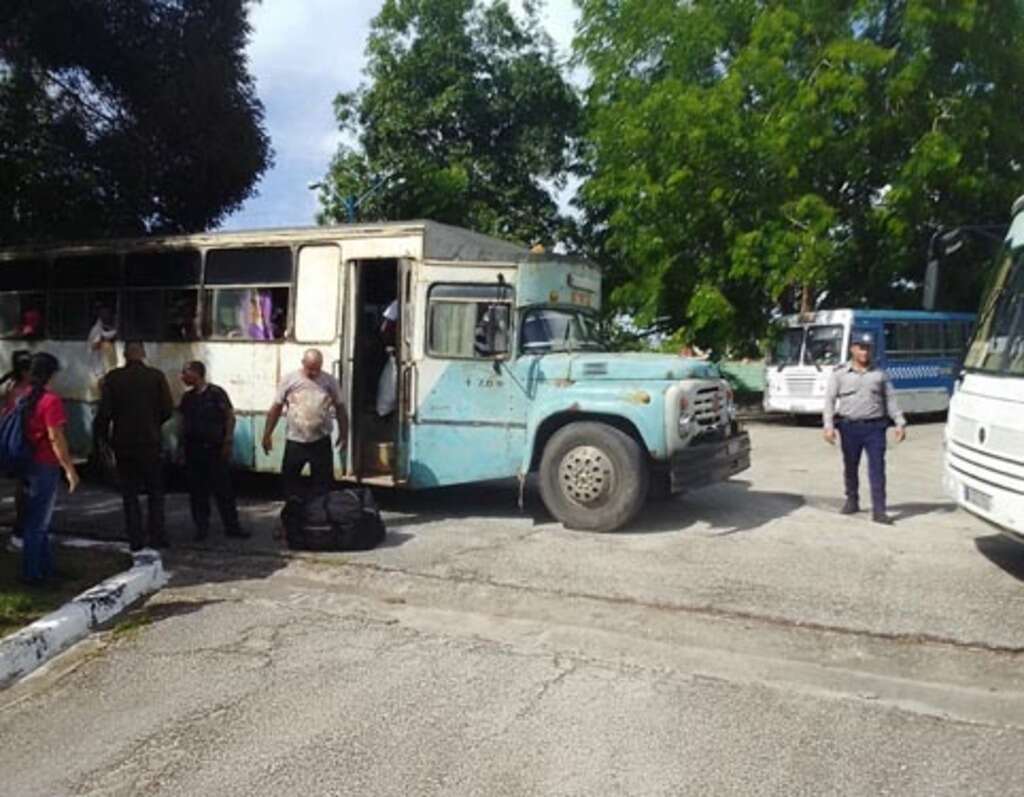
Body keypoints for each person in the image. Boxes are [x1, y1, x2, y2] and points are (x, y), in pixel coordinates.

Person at [94, 341, 174, 550]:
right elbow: (167, 409)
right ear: (143, 354)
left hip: (124, 443)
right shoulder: (156, 376)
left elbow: (105, 413)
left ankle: (135, 537)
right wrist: (153, 424)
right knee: (155, 491)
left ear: (125, 355)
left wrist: (103, 439)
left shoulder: (114, 378)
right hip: (150, 442)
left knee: (130, 493)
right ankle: (157, 535)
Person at [822, 331, 907, 525]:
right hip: (849, 427)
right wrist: (828, 426)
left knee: (877, 468)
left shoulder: (879, 374)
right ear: (852, 349)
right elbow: (829, 400)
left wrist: (899, 422)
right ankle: (852, 500)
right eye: (861, 348)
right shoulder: (840, 374)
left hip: (875, 428)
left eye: (868, 348)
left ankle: (879, 510)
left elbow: (891, 400)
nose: (865, 352)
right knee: (850, 466)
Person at [18, 353, 79, 584]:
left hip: (26, 461)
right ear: (51, 374)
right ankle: (33, 573)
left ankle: (45, 567)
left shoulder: (23, 397)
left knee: (37, 518)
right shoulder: (50, 401)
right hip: (45, 463)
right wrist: (69, 469)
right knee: (39, 522)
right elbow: (56, 438)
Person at [262, 349, 348, 498]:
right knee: (290, 483)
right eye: (310, 369)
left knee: (323, 485)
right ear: (303, 363)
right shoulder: (290, 380)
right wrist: (267, 434)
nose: (314, 373)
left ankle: (319, 509)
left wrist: (344, 434)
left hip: (320, 440)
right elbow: (276, 408)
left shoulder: (329, 381)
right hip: (295, 441)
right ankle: (293, 509)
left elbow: (340, 407)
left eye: (317, 369)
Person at [178, 361, 249, 541]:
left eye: (185, 373)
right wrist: (180, 447)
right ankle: (201, 528)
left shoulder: (216, 394)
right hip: (193, 450)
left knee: (223, 490)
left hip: (214, 449)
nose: (182, 377)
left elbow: (229, 417)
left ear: (196, 373)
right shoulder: (187, 398)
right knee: (197, 492)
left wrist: (228, 441)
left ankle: (232, 526)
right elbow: (182, 423)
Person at [2, 350, 34, 545]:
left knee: (23, 488)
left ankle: (21, 530)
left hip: (14, 445)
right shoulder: (28, 392)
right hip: (25, 445)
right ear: (24, 372)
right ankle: (21, 531)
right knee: (27, 489)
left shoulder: (10, 387)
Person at [88, 303, 118, 387]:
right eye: (103, 313)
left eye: (107, 313)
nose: (106, 315)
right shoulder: (96, 330)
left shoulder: (116, 325)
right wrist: (104, 341)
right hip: (99, 368)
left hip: (112, 366)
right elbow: (93, 346)